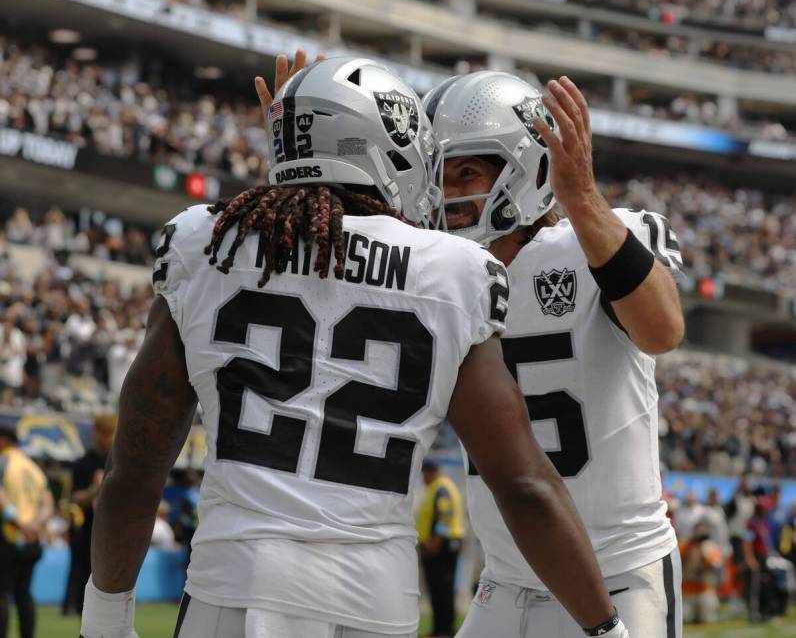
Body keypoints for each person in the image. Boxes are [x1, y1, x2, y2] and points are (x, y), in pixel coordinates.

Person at [81, 56, 629, 638]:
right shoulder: (453, 273)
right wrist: (606, 629)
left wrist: (105, 618)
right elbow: (523, 485)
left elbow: (137, 467)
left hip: (232, 587)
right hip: (372, 600)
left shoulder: (205, 242)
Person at [423, 71, 685, 637]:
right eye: (436, 175)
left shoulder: (596, 241)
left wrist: (583, 198)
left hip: (616, 574)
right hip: (502, 582)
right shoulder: (441, 274)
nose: (449, 193)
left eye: (467, 170)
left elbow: (662, 330)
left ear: (528, 167)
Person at [0, 424, 53, 638]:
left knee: (2, 594)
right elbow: (48, 502)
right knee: (24, 594)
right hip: (32, 540)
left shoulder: (4, 462)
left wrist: (20, 525)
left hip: (8, 536)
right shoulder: (33, 467)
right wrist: (35, 526)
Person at [64, 414, 116, 615]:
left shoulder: (119, 460)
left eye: (109, 434)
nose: (106, 439)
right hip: (87, 530)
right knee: (82, 575)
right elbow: (75, 498)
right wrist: (95, 490)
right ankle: (75, 609)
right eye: (103, 434)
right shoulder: (84, 462)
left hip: (112, 531)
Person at [416, 459, 465, 637]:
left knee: (442, 590)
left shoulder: (440, 488)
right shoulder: (441, 486)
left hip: (442, 546)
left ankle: (444, 632)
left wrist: (434, 543)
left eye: (424, 475)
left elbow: (445, 516)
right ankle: (440, 630)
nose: (423, 479)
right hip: (443, 545)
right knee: (439, 591)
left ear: (430, 472)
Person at [680, 521, 723, 624]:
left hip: (705, 589)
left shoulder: (710, 546)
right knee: (686, 618)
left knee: (707, 618)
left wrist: (706, 556)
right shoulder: (686, 545)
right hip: (688, 589)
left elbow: (717, 564)